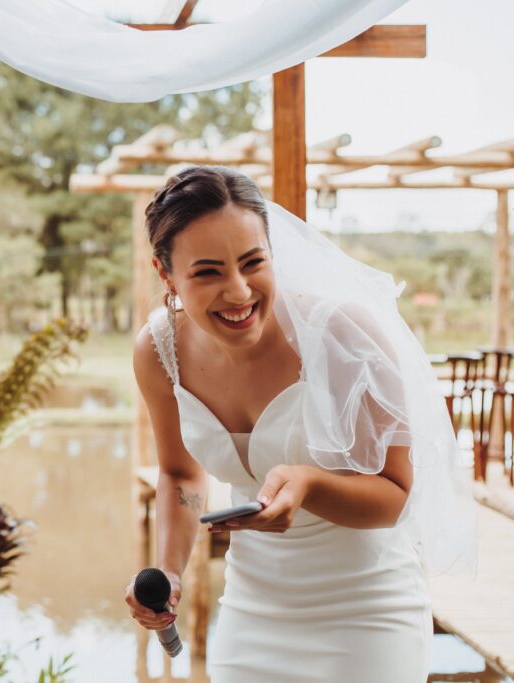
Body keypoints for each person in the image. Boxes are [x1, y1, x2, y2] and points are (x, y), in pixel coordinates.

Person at [124, 166, 475, 682]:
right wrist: (169, 572)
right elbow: (179, 475)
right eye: (208, 272)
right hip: (252, 612)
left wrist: (309, 484)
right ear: (165, 273)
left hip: (366, 615)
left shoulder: (343, 334)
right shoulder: (159, 353)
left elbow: (398, 494)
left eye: (252, 262)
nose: (239, 291)